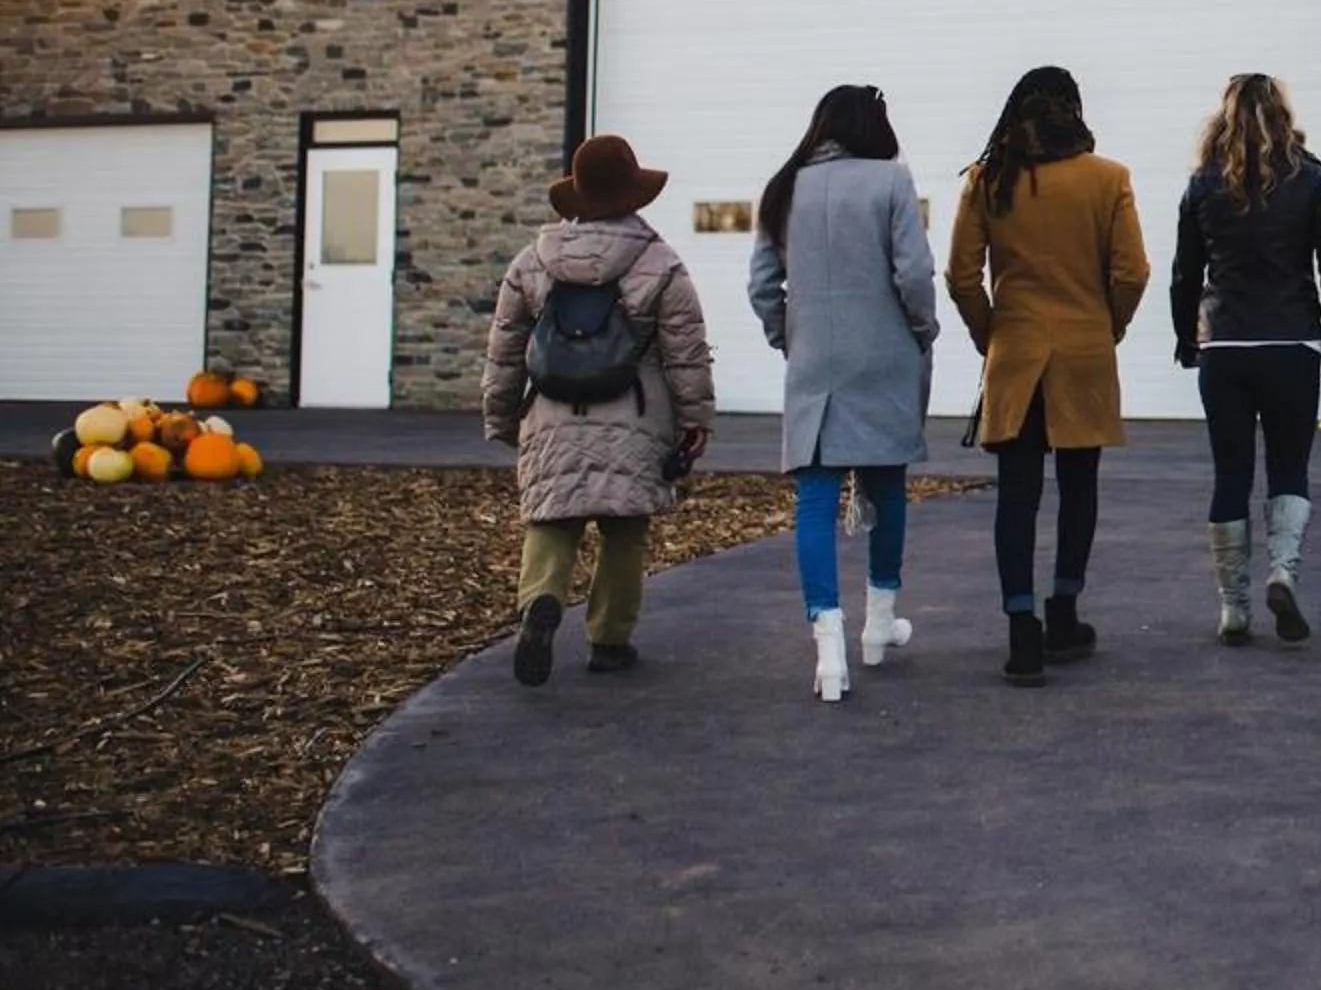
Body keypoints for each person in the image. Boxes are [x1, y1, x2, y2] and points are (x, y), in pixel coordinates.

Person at [481, 133, 715, 687]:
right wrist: (695, 423)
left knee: (551, 518)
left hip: (550, 412)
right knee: (624, 528)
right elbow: (685, 353)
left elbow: (506, 346)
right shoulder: (660, 262)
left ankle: (541, 601)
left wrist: (501, 415)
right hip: (633, 414)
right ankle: (609, 640)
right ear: (634, 194)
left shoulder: (531, 262)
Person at [947, 66, 1148, 685]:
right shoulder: (1108, 178)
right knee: (1078, 487)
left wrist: (993, 336)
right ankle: (1064, 612)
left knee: (1017, 494)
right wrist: (1106, 328)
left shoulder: (989, 178)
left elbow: (960, 276)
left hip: (1016, 354)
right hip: (1084, 351)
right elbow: (1132, 273)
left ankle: (1021, 631)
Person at [748, 83, 940, 704]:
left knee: (815, 497)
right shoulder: (891, 181)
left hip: (815, 362)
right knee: (886, 487)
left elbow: (762, 286)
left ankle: (828, 645)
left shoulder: (785, 187)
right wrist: (922, 328)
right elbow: (912, 272)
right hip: (883, 355)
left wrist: (789, 339)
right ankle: (878, 628)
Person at [1169, 74, 1321, 646]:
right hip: (1293, 342)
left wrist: (1185, 336)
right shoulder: (1312, 178)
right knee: (1289, 467)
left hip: (1224, 344)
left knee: (1230, 473)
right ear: (1282, 114)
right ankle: (1283, 572)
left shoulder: (1202, 184)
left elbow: (1185, 274)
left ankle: (1233, 608)